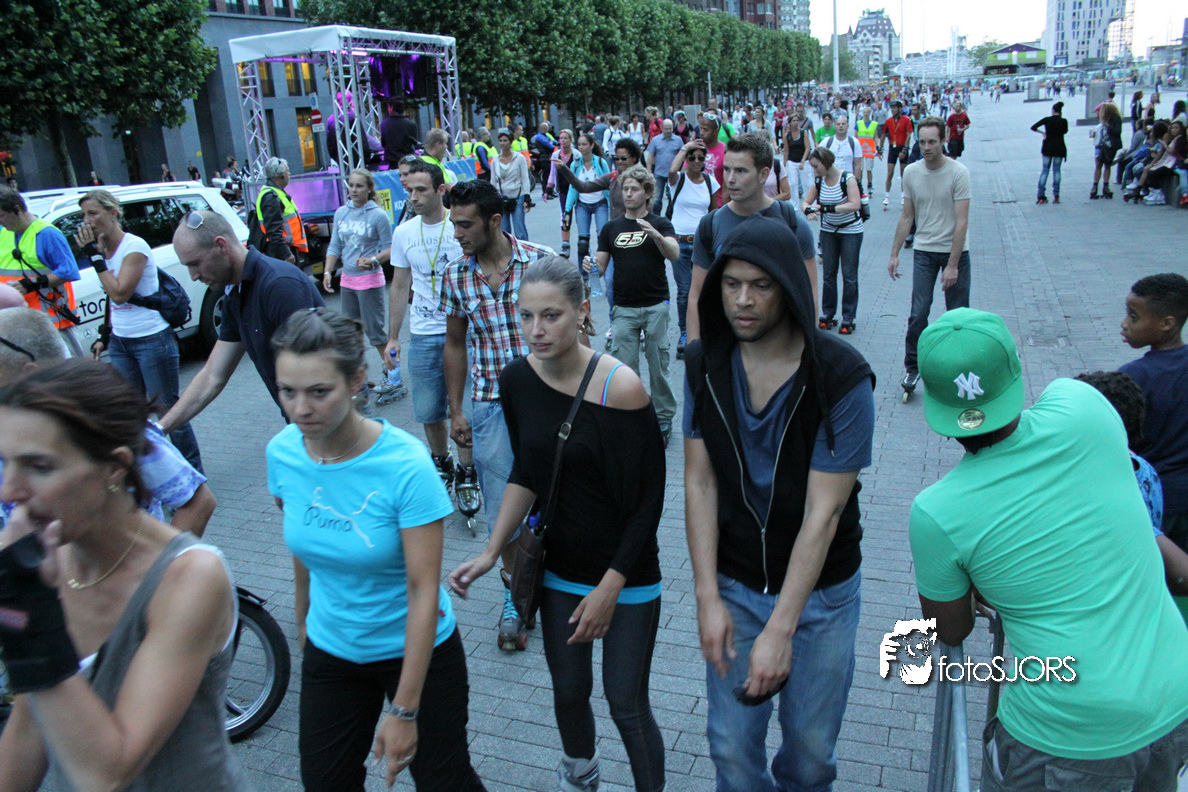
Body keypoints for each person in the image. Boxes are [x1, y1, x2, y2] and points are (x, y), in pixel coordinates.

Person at [908, 308, 1188, 792]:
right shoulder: (1085, 405)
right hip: (1172, 695)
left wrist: (978, 581)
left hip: (1067, 731)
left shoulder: (937, 512)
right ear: (1015, 369)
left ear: (937, 407)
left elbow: (951, 628)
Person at [448, 257, 666, 792]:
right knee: (569, 691)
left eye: (551, 315)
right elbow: (528, 471)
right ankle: (580, 776)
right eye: (526, 316)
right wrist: (491, 551)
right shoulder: (516, 379)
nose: (536, 330)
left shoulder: (621, 387)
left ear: (582, 311)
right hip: (559, 570)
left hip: (627, 575)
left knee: (625, 702)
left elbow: (647, 504)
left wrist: (610, 588)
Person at [684, 216, 875, 792]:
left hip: (821, 596)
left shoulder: (841, 377)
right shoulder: (703, 365)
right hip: (737, 581)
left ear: (789, 286)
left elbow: (824, 513)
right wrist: (707, 596)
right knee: (730, 749)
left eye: (760, 285)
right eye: (731, 284)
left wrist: (781, 629)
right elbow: (700, 482)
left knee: (810, 756)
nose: (743, 300)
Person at [0, 359, 248, 791]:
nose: (9, 490)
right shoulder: (53, 568)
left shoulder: (191, 576)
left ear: (115, 467)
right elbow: (27, 728)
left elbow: (108, 772)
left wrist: (26, 609)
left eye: (39, 466)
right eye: (7, 463)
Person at [266, 308, 485, 792]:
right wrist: (303, 622)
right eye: (288, 391)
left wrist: (404, 711)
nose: (300, 408)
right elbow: (304, 541)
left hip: (416, 650)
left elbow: (423, 589)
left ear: (356, 380)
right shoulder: (283, 453)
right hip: (332, 648)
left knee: (444, 781)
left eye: (318, 391)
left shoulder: (404, 465)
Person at [439, 179, 554, 650]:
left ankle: (562, 587)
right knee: (503, 510)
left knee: (560, 499)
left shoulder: (541, 262)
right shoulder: (455, 276)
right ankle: (516, 597)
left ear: (494, 221)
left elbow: (576, 331)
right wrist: (456, 410)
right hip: (490, 406)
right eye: (454, 224)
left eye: (465, 225)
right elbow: (454, 344)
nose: (457, 234)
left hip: (548, 401)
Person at [74, 189, 203, 472]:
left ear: (113, 212)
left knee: (168, 410)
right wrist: (104, 337)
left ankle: (192, 472)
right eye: (83, 215)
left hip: (151, 339)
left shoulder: (134, 247)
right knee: (129, 411)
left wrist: (94, 258)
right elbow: (110, 301)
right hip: (121, 342)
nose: (87, 221)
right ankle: (148, 473)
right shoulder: (102, 249)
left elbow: (120, 293)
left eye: (93, 213)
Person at [160, 210, 323, 433]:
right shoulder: (235, 293)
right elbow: (212, 376)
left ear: (221, 245)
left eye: (195, 263)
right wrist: (160, 429)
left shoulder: (279, 284)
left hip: (326, 427)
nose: (193, 276)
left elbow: (317, 372)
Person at [386, 160, 476, 497]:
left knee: (464, 407)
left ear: (440, 190)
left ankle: (468, 468)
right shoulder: (404, 233)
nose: (413, 197)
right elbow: (399, 286)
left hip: (463, 331)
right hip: (423, 333)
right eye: (409, 190)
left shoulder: (460, 226)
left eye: (421, 190)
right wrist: (393, 337)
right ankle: (442, 461)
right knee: (428, 409)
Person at [687, 134, 818, 342]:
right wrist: (695, 352)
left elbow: (809, 293)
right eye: (727, 169)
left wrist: (809, 347)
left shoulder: (792, 224)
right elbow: (696, 295)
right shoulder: (710, 225)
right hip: (725, 344)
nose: (730, 179)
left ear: (763, 174)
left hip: (779, 346)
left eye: (740, 171)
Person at [590, 165, 679, 444]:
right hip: (623, 308)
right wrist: (590, 265)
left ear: (647, 193)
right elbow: (600, 266)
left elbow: (674, 254)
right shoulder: (611, 227)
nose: (628, 194)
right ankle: (633, 414)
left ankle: (663, 417)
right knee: (625, 368)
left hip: (656, 304)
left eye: (634, 189)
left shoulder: (660, 223)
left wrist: (657, 236)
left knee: (658, 365)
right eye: (625, 189)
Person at [887, 116, 971, 396]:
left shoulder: (959, 173)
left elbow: (962, 221)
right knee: (918, 313)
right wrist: (894, 253)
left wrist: (953, 265)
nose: (926, 147)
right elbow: (906, 216)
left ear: (943, 141)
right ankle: (912, 367)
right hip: (924, 250)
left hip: (955, 252)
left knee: (958, 316)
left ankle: (960, 370)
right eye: (922, 142)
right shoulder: (911, 172)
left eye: (932, 142)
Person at [1120, 273, 1188, 552]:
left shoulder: (1132, 377)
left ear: (1167, 324)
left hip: (1156, 499)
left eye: (1134, 317)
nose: (1124, 323)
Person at [321, 168, 395, 400]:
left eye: (359, 186)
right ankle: (358, 379)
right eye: (351, 185)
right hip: (348, 281)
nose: (353, 190)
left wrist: (374, 260)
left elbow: (390, 248)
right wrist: (327, 271)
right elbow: (335, 245)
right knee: (349, 333)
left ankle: (393, 377)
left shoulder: (378, 215)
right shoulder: (341, 212)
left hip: (370, 281)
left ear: (369, 188)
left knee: (375, 333)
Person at [0, 186, 83, 357]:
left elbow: (69, 271)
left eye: (1, 216)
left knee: (65, 371)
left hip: (52, 324)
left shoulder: (47, 233)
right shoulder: (4, 233)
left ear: (17, 209)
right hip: (17, 324)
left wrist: (32, 284)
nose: (0, 222)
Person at [666, 138, 720, 360]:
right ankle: (685, 333)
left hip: (701, 243)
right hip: (679, 242)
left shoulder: (710, 182)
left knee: (703, 290)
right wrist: (685, 147)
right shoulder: (678, 179)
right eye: (692, 157)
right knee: (684, 291)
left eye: (701, 157)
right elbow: (671, 170)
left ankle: (703, 331)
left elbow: (713, 212)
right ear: (686, 159)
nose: (697, 161)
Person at [802, 146, 863, 335]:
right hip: (828, 232)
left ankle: (848, 315)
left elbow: (855, 204)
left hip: (850, 231)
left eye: (816, 166)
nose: (814, 170)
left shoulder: (847, 179)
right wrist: (808, 210)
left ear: (826, 162)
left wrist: (829, 208)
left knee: (849, 275)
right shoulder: (819, 181)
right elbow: (806, 201)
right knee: (829, 274)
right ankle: (828, 312)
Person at [255, 157, 308, 265]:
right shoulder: (271, 197)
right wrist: (286, 254)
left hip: (286, 250)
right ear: (280, 175)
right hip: (282, 254)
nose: (289, 174)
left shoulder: (276, 193)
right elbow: (274, 232)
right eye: (287, 171)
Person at [493, 128, 532, 241]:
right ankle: (507, 251)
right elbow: (493, 181)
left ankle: (523, 250)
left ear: (510, 142)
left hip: (517, 197)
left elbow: (525, 178)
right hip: (502, 198)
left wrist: (526, 197)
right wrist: (493, 199)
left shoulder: (519, 158)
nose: (503, 143)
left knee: (520, 231)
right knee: (504, 232)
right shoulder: (495, 160)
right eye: (500, 141)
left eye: (505, 141)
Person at [878, 100, 913, 210]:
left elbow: (908, 135)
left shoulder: (906, 120)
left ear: (899, 108)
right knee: (890, 173)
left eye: (894, 108)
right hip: (892, 148)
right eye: (891, 108)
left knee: (903, 174)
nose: (892, 110)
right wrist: (880, 148)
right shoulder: (889, 121)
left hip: (902, 148)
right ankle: (887, 196)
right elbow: (883, 135)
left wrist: (905, 148)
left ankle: (903, 196)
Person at [1031, 101, 1068, 204]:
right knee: (1057, 170)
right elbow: (1065, 131)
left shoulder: (1047, 120)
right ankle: (1056, 196)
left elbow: (1033, 127)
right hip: (1059, 147)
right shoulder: (1064, 121)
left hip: (1047, 147)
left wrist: (1043, 133)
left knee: (1045, 170)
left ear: (1053, 110)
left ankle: (1041, 196)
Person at [645, 119, 684, 215]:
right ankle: (656, 217)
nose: (668, 131)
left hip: (673, 173)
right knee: (657, 199)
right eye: (666, 129)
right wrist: (648, 170)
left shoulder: (678, 140)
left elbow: (683, 156)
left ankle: (670, 216)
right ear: (662, 129)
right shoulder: (655, 140)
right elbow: (650, 156)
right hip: (659, 173)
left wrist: (682, 170)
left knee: (673, 197)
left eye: (670, 128)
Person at [547, 129, 576, 258]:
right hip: (563, 189)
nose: (563, 141)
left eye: (565, 138)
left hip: (576, 188)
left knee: (580, 214)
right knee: (565, 215)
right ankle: (565, 244)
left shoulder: (576, 155)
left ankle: (584, 242)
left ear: (571, 140)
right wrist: (548, 188)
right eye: (561, 138)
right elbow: (552, 173)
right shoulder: (556, 155)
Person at [1090, 102, 1123, 199]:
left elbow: (1117, 132)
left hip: (1110, 146)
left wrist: (1107, 126)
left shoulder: (1116, 119)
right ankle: (1095, 186)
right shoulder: (1102, 119)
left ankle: (1106, 186)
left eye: (1102, 110)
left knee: (1107, 165)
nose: (1100, 112)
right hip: (1099, 145)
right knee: (1098, 165)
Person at [381, 98, 420, 168]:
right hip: (409, 161)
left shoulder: (384, 124)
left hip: (393, 163)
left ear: (391, 107)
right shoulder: (410, 123)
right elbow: (414, 142)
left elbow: (383, 144)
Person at [782, 114, 812, 202]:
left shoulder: (803, 133)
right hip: (792, 161)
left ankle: (809, 202)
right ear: (790, 123)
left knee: (807, 183)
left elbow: (807, 148)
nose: (796, 123)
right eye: (793, 121)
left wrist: (803, 161)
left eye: (797, 121)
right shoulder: (787, 135)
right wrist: (784, 164)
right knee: (793, 184)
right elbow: (786, 150)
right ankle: (794, 205)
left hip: (803, 161)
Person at [854, 105, 879, 193]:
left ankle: (869, 184)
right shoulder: (858, 123)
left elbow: (875, 136)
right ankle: (859, 184)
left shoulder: (874, 124)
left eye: (867, 112)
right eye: (864, 112)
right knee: (860, 169)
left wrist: (877, 147)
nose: (866, 114)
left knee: (869, 169)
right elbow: (855, 136)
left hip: (870, 149)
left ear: (870, 113)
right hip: (860, 149)